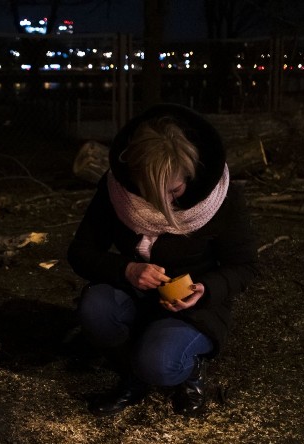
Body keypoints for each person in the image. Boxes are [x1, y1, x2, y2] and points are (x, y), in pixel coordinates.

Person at [67, 103, 258, 417]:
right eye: (151, 191)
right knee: (95, 307)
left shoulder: (221, 198)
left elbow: (246, 266)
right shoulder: (117, 189)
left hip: (194, 307)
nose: (164, 202)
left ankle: (188, 369)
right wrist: (127, 270)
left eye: (174, 189)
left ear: (190, 170)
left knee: (159, 363)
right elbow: (81, 252)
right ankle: (131, 376)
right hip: (136, 295)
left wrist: (205, 289)